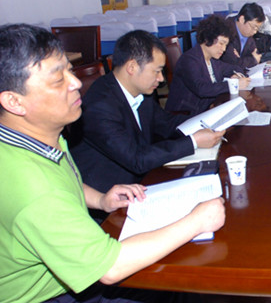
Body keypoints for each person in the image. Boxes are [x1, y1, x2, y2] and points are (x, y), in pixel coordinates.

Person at [0, 24, 229, 303]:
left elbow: (64, 180)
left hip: (67, 281)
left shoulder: (37, 137)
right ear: (14, 101)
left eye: (69, 70)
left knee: (174, 287)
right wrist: (197, 221)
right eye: (58, 79)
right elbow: (111, 268)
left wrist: (100, 198)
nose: (76, 82)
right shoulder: (33, 187)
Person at [71, 30, 224, 200]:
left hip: (141, 181)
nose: (161, 79)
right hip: (111, 195)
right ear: (131, 67)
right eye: (156, 71)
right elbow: (137, 159)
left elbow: (166, 123)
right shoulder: (100, 106)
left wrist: (210, 121)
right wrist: (193, 141)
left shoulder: (139, 91)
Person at [165, 15, 250, 115]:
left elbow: (234, 68)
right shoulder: (189, 60)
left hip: (207, 108)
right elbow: (202, 89)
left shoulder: (213, 60)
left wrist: (237, 75)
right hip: (185, 114)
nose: (224, 49)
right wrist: (233, 84)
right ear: (207, 38)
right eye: (221, 43)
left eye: (226, 45)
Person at [221, 2, 266, 69]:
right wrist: (253, 60)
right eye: (253, 27)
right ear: (242, 19)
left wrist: (241, 60)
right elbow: (232, 63)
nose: (255, 32)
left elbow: (257, 55)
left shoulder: (248, 35)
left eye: (257, 28)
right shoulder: (225, 31)